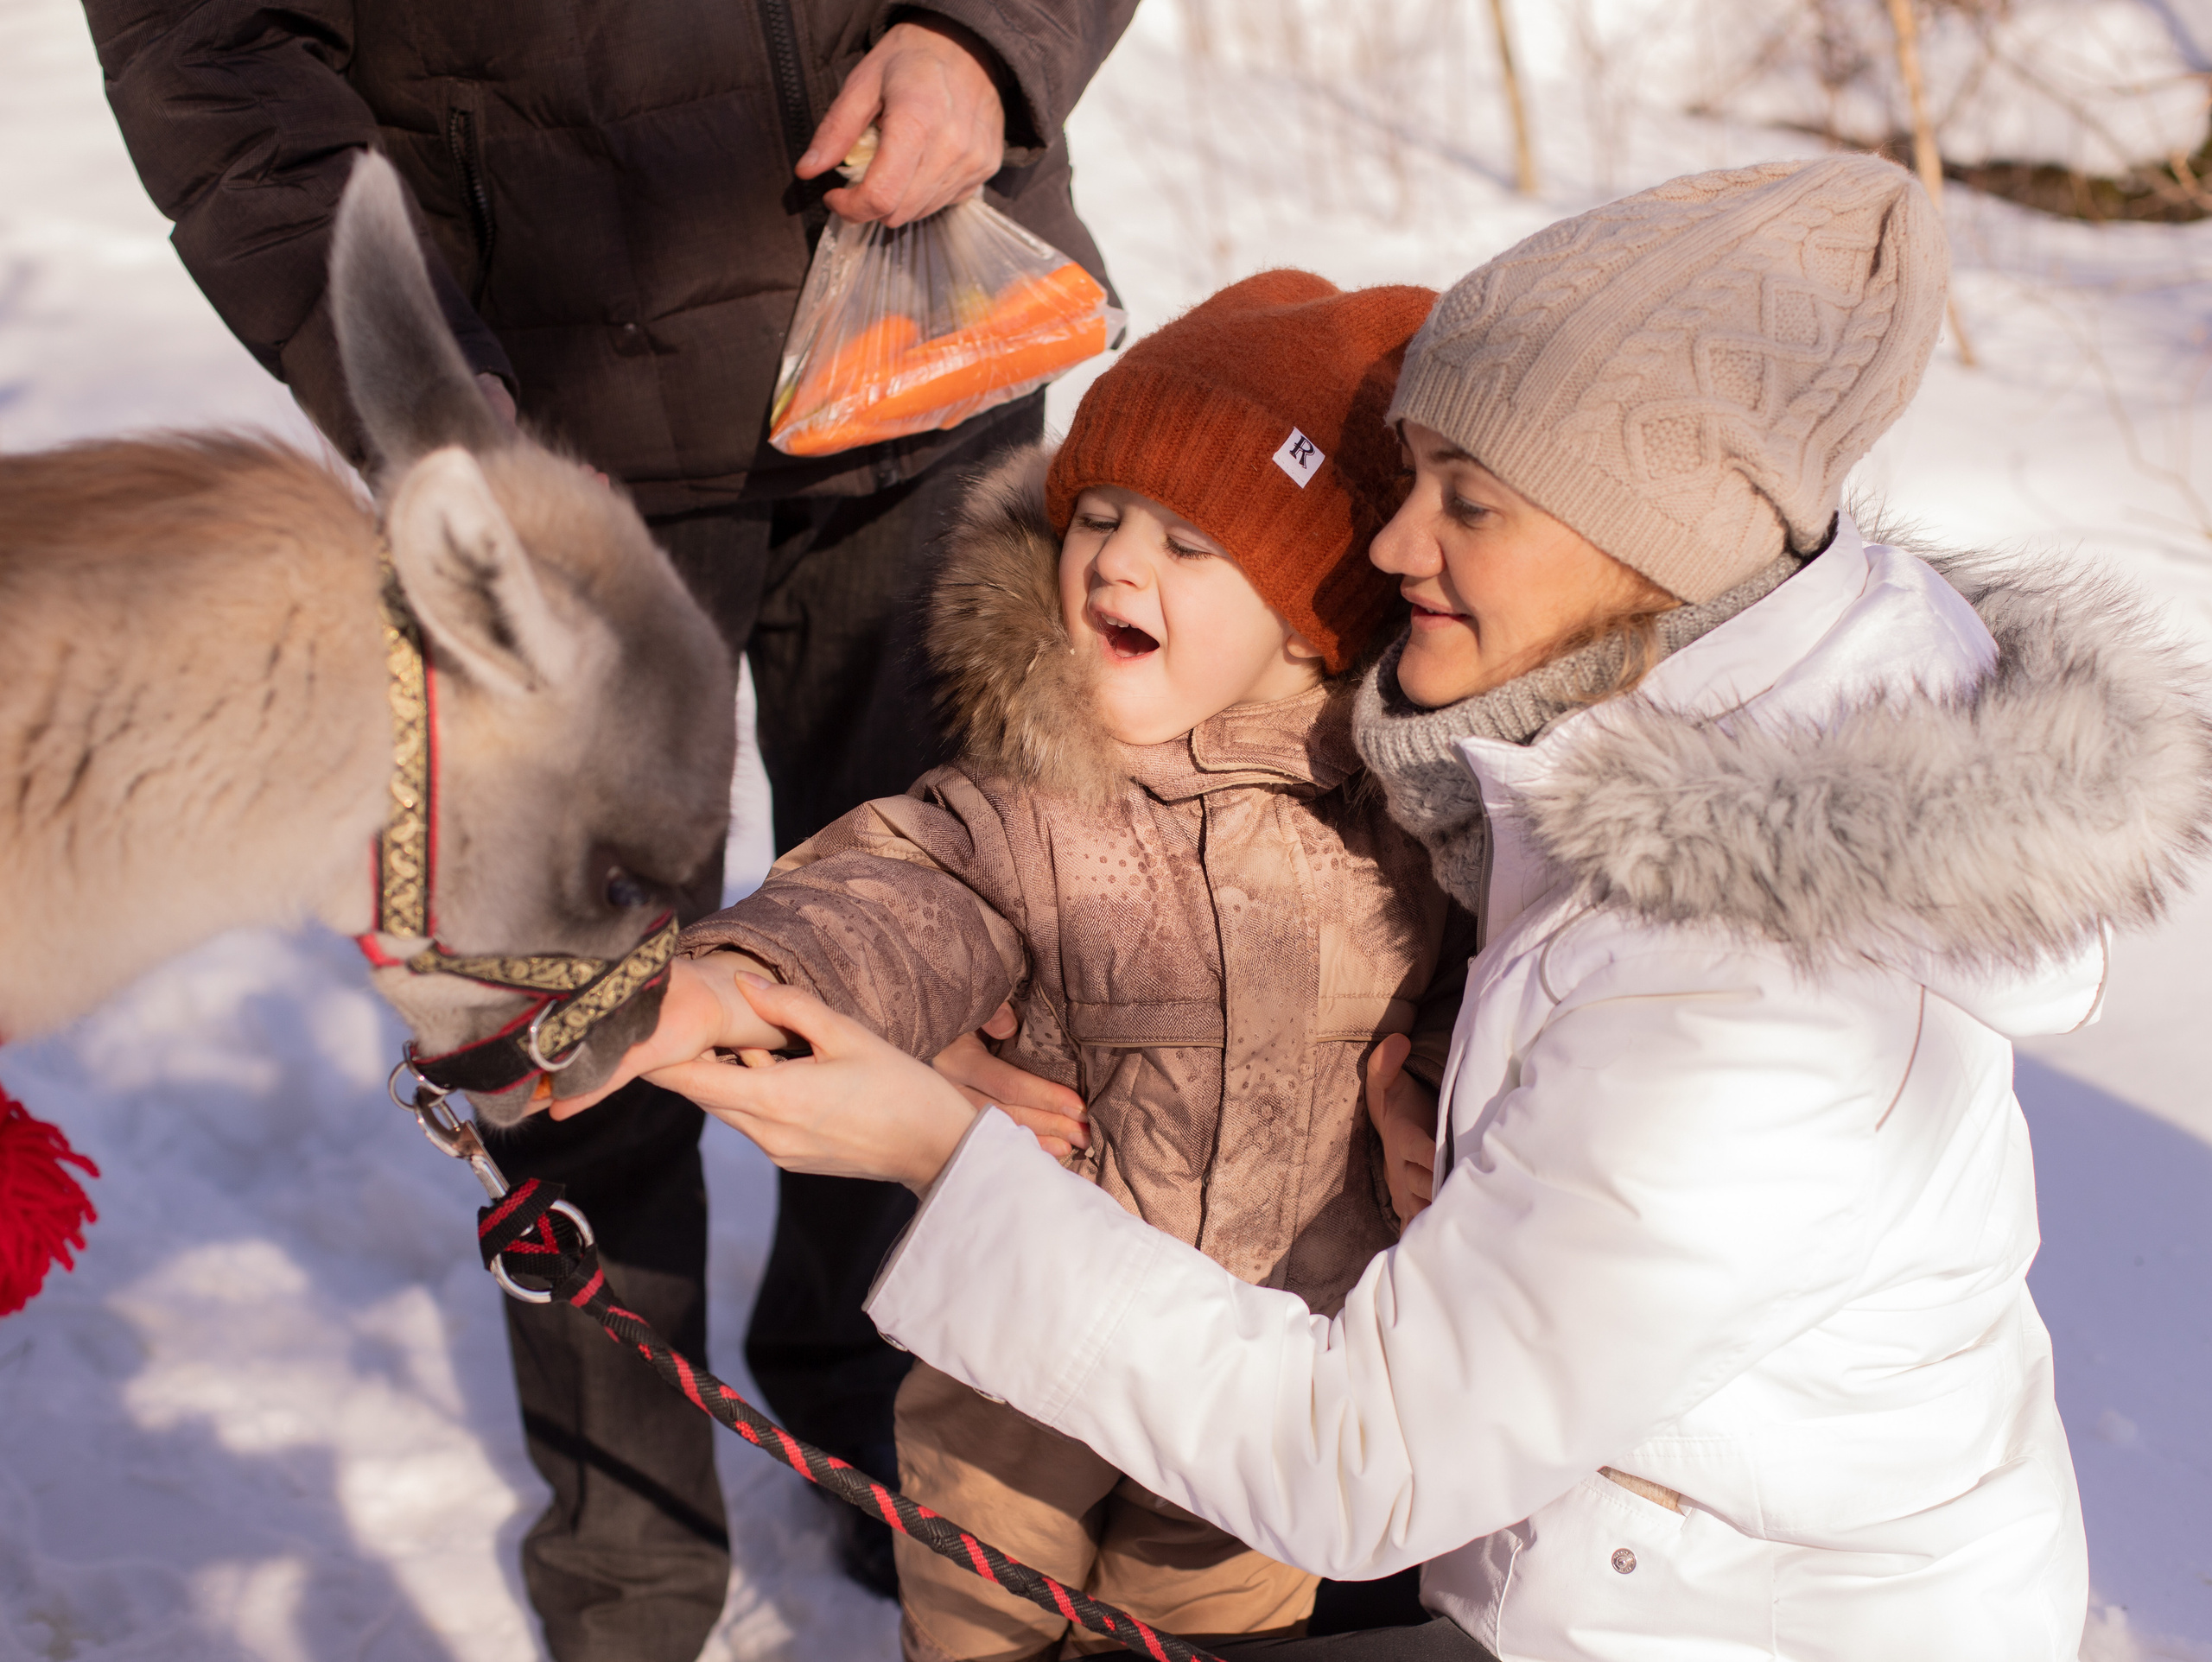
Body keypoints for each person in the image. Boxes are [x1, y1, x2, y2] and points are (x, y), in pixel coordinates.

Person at [562, 154, 2212, 1659]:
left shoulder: (1751, 1001)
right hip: (1523, 1534)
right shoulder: (1612, 736)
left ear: (1651, 540)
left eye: (1468, 501)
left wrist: (931, 1144)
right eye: (1410, 471)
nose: (1394, 536)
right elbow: (924, 881)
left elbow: (1367, 1460)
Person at [82, 0, 1135, 1652]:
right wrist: (414, 370)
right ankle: (628, 1572)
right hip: (547, 414)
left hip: (931, 330)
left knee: (936, 934)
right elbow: (208, 43)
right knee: (568, 1015)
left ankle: (866, 1402)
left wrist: (984, 45)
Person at [588, 270, 1476, 1661]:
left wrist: (1428, 1093)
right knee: (984, 1625)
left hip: (1268, 1382)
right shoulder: (1033, 800)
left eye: (1191, 545)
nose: (1119, 564)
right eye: (1103, 520)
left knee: (1207, 1642)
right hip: (1016, 1371)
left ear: (1316, 614)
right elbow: (893, 895)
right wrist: (736, 979)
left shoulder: (1411, 828)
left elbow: (1471, 1002)